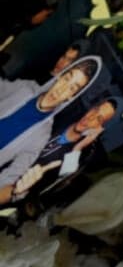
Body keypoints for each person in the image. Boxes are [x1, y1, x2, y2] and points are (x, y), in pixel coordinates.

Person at [0, 56, 99, 196]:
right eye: (67, 79)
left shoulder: (42, 135)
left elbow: (11, 177)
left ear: (71, 97)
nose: (61, 90)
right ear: (60, 76)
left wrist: (16, 191)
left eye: (72, 88)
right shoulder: (25, 88)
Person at [0, 97, 121, 205]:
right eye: (95, 110)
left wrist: (79, 147)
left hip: (9, 189)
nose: (90, 117)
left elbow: (62, 178)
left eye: (99, 119)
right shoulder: (63, 114)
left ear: (99, 129)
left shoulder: (82, 153)